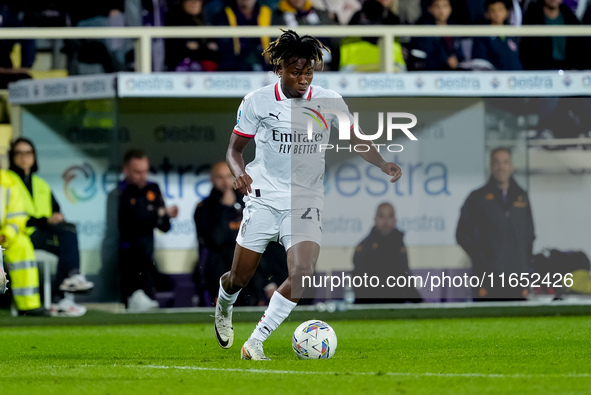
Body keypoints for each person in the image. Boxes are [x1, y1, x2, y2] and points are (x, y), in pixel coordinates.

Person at [214, 29, 402, 360]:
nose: (303, 79)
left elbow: (356, 138)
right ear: (280, 69)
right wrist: (239, 173)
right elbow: (234, 150)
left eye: (309, 72)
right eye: (296, 72)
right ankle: (224, 303)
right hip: (264, 198)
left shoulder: (329, 100)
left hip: (306, 200)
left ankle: (255, 341)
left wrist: (382, 162)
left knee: (301, 274)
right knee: (239, 278)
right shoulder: (257, 101)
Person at [8, 137, 93, 317]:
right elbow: (14, 216)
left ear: (34, 156)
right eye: (19, 153)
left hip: (42, 233)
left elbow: (55, 210)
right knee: (67, 236)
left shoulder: (41, 184)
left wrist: (56, 217)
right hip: (21, 234)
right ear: (12, 157)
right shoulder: (8, 181)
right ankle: (70, 281)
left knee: (68, 234)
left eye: (28, 153)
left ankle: (62, 298)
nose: (24, 157)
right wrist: (46, 221)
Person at [195, 162, 288, 306]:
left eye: (228, 177)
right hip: (220, 272)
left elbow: (264, 241)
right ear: (212, 179)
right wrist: (226, 209)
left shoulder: (250, 203)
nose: (225, 182)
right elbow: (215, 240)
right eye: (220, 177)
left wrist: (270, 280)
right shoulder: (204, 208)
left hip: (251, 274)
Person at [456, 147, 535, 300]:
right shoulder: (477, 198)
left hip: (517, 277)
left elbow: (529, 234)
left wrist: (525, 264)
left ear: (511, 166)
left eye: (505, 162)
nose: (501, 167)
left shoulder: (522, 196)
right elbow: (462, 234)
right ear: (491, 166)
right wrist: (482, 258)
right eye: (497, 163)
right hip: (487, 277)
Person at [114, 149, 178, 312]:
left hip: (148, 257)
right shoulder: (119, 192)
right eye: (137, 172)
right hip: (127, 258)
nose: (143, 176)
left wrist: (160, 215)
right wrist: (158, 212)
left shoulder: (153, 188)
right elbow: (131, 219)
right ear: (126, 170)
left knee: (150, 307)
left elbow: (165, 225)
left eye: (145, 171)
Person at [352, 202, 422, 303]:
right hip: (371, 303)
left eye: (389, 217)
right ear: (375, 219)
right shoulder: (364, 247)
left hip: (396, 303)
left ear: (394, 220)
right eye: (381, 216)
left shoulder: (399, 244)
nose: (385, 221)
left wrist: (419, 302)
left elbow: (405, 276)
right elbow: (360, 282)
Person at [0, 165, 45, 315]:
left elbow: (17, 216)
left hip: (4, 236)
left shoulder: (8, 183)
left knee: (23, 244)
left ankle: (28, 305)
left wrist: (6, 235)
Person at [520, 0, 585, 70]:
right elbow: (528, 52)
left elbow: (580, 49)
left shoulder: (570, 17)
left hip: (569, 72)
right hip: (542, 72)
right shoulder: (532, 17)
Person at [164, 0, 222, 72]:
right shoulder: (174, 19)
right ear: (183, 3)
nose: (194, 3)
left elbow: (214, 51)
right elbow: (178, 50)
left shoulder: (205, 20)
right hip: (180, 69)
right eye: (190, 1)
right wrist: (204, 48)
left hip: (206, 68)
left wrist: (201, 47)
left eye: (197, 1)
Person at [409, 0, 464, 71]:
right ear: (430, 9)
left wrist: (456, 60)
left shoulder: (455, 28)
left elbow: (460, 55)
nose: (441, 11)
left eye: (445, 6)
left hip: (454, 73)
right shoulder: (423, 29)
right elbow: (424, 55)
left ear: (450, 9)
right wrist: (446, 60)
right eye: (437, 6)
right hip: (431, 72)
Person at [471, 0, 523, 70]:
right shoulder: (483, 35)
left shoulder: (512, 34)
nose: (497, 14)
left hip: (518, 77)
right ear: (487, 14)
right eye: (493, 10)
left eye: (500, 9)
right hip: (495, 78)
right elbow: (481, 62)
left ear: (506, 12)